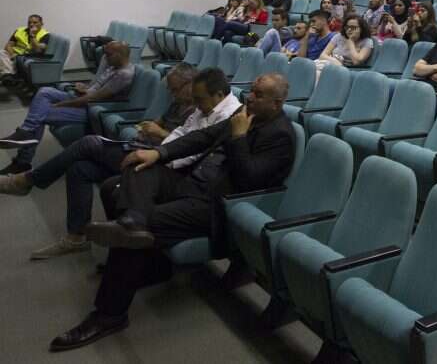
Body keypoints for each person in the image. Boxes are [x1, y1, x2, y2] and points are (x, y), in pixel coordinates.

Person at [50, 71, 294, 352]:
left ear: (277, 103)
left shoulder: (280, 136)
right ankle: (135, 226)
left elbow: (249, 180)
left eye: (259, 94)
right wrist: (159, 154)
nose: (250, 97)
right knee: (139, 166)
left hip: (215, 206)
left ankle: (109, 314)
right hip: (191, 182)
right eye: (252, 90)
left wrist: (238, 139)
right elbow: (200, 138)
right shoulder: (245, 116)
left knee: (136, 229)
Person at [0, 64, 202, 260]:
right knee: (80, 169)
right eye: (170, 89)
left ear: (191, 83)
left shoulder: (200, 111)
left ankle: (26, 180)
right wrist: (152, 126)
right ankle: (76, 237)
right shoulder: (179, 102)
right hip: (139, 145)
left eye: (175, 89)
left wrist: (160, 133)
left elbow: (186, 147)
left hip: (155, 161)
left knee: (89, 143)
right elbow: (161, 120)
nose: (172, 94)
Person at [0, 42, 136, 174]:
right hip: (86, 98)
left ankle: (22, 161)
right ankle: (26, 132)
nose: (105, 57)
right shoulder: (113, 66)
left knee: (41, 114)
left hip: (92, 109)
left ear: (119, 54)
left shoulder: (124, 74)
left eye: (108, 54)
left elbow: (93, 99)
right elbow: (96, 88)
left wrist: (60, 105)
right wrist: (86, 87)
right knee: (44, 91)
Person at [1, 14, 50, 84]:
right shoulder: (19, 30)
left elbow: (38, 50)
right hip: (16, 54)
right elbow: (8, 45)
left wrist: (32, 35)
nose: (31, 24)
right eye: (29, 22)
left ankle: (11, 76)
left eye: (35, 22)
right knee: (2, 52)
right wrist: (12, 55)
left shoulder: (45, 35)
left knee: (19, 62)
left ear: (41, 24)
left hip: (30, 56)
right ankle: (8, 75)